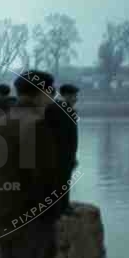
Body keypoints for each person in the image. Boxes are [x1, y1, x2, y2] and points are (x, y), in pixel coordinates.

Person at [0, 70, 62, 258]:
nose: (52, 98)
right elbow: (44, 179)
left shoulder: (0, 123)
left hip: (4, 213)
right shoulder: (37, 125)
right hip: (32, 218)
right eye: (51, 92)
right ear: (41, 92)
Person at [46, 83, 79, 215]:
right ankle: (62, 207)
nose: (76, 99)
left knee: (63, 180)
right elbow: (63, 135)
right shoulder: (58, 109)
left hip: (66, 153)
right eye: (74, 96)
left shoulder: (58, 108)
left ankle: (62, 206)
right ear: (66, 95)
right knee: (62, 180)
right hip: (62, 153)